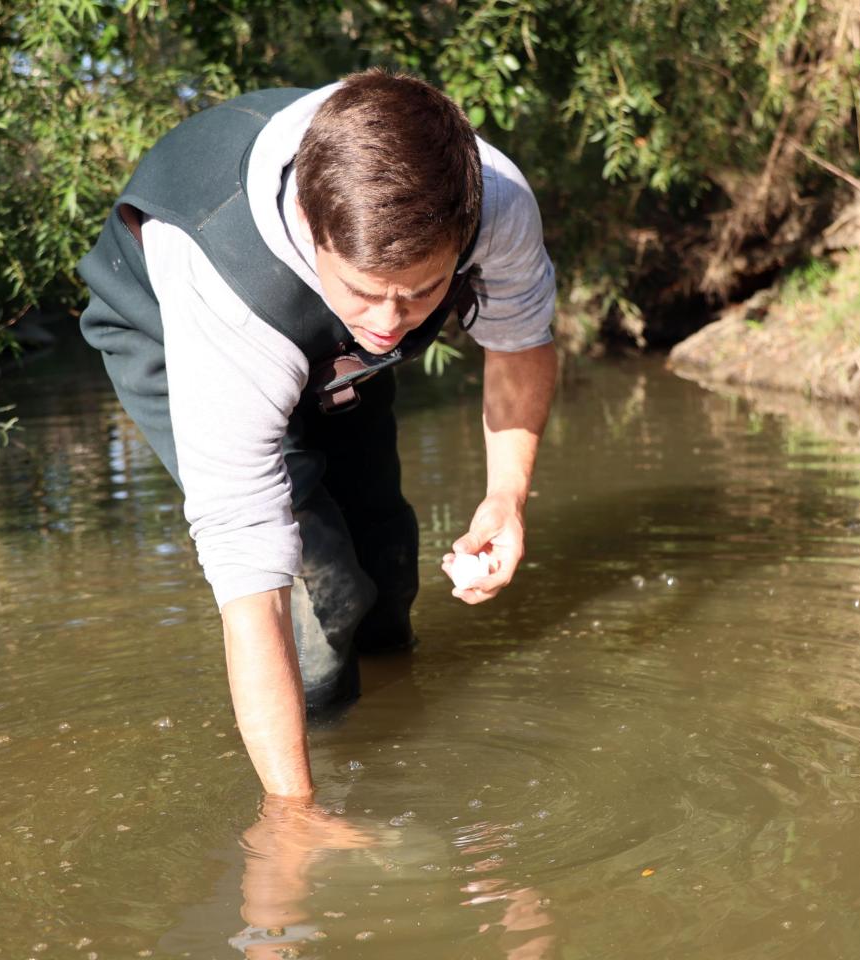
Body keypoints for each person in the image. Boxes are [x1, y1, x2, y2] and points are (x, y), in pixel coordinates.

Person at [78, 70, 557, 800]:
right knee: (323, 590)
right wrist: (293, 822)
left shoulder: (497, 201)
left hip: (323, 346)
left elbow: (519, 341)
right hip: (180, 335)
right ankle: (323, 766)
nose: (394, 324)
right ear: (309, 222)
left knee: (388, 562)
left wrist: (505, 498)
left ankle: (396, 727)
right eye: (365, 291)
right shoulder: (223, 282)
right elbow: (252, 581)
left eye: (423, 292)